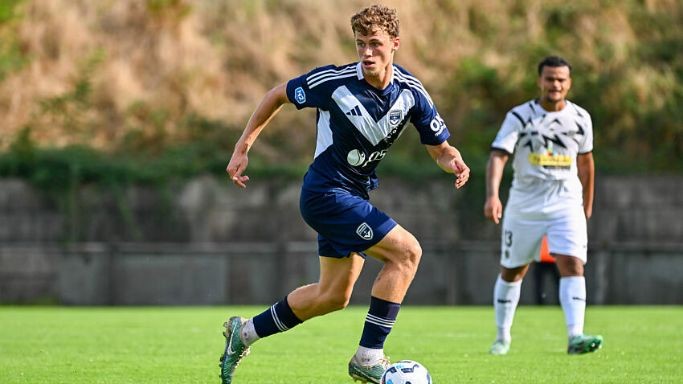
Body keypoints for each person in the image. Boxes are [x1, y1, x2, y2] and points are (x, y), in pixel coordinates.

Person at [221, 4, 470, 384]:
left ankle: (244, 333)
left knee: (332, 296)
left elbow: (439, 149)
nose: (367, 53)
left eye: (375, 44)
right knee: (407, 253)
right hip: (325, 193)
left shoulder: (412, 93)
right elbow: (277, 95)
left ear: (395, 44)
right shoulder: (333, 83)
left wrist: (453, 161)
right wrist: (242, 148)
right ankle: (368, 358)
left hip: (354, 196)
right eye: (360, 44)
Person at [483, 56, 602, 356]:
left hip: (566, 202)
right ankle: (502, 337)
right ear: (540, 81)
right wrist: (493, 195)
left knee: (572, 263)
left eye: (561, 79)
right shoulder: (520, 116)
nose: (555, 85)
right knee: (513, 270)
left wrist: (587, 203)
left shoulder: (580, 118)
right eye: (550, 79)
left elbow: (586, 162)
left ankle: (575, 336)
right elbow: (499, 156)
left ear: (569, 83)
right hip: (525, 205)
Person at [532, 235, 560, 305]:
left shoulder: (553, 233)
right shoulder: (538, 234)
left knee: (559, 282)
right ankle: (539, 302)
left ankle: (560, 301)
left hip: (552, 261)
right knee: (539, 283)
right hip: (540, 260)